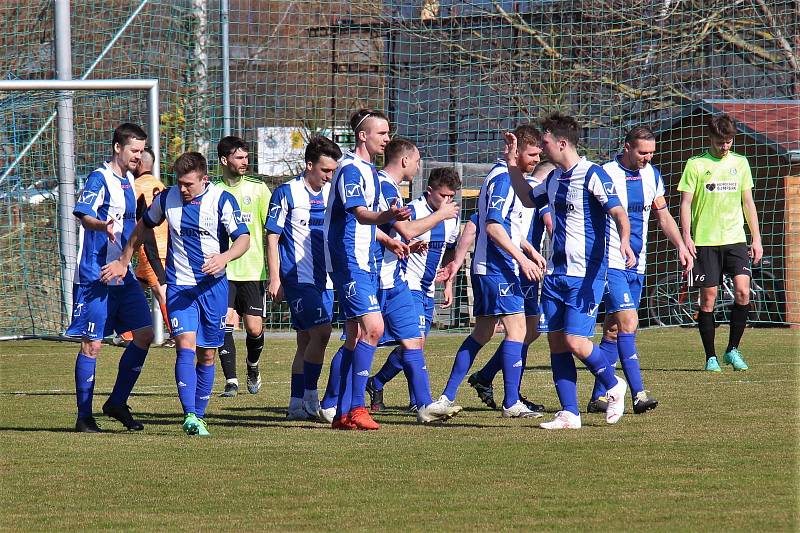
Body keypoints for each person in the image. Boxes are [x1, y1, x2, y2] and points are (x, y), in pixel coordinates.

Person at [101, 152, 250, 436]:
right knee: (185, 345)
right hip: (180, 287)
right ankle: (190, 415)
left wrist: (224, 257)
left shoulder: (221, 200)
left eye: (189, 184)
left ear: (204, 180)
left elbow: (243, 238)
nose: (183, 189)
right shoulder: (167, 198)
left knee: (207, 355)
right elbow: (143, 226)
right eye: (179, 182)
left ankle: (200, 416)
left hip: (213, 288)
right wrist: (123, 260)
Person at [504, 113, 634, 429]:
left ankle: (613, 383)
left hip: (585, 274)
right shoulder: (551, 180)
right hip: (556, 274)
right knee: (557, 343)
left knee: (576, 340)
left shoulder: (593, 174)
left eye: (545, 141)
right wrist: (511, 161)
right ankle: (570, 413)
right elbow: (524, 196)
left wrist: (625, 241)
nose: (542, 146)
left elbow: (618, 211)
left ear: (561, 143)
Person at [437, 124, 547, 419]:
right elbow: (493, 226)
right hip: (497, 269)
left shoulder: (512, 177)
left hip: (493, 267)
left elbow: (507, 226)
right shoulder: (503, 179)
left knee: (483, 333)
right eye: (532, 154)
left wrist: (530, 250)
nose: (536, 159)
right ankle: (511, 403)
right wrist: (521, 261)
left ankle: (446, 397)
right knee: (519, 330)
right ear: (518, 151)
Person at [586, 126, 693, 414]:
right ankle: (638, 394)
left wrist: (681, 245)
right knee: (629, 323)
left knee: (612, 330)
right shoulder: (603, 173)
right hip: (611, 262)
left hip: (639, 263)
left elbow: (663, 215)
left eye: (651, 153)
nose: (647, 158)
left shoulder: (652, 175)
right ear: (626, 147)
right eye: (642, 152)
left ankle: (599, 396)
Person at [321, 109, 411, 430]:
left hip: (366, 261)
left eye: (388, 133)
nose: (387, 138)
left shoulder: (370, 171)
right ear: (363, 135)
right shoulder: (349, 169)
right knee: (373, 328)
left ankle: (342, 412)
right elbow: (359, 214)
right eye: (382, 133)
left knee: (356, 335)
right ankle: (357, 407)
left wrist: (392, 216)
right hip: (349, 260)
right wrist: (390, 217)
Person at [365, 142, 462, 423]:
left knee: (414, 343)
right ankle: (419, 402)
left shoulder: (450, 217)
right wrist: (409, 243)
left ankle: (378, 383)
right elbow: (395, 237)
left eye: (451, 197)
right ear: (429, 191)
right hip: (405, 284)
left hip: (427, 288)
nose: (447, 201)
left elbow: (447, 252)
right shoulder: (412, 209)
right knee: (412, 341)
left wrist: (448, 282)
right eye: (443, 196)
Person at [66, 123, 155, 433]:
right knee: (92, 345)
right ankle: (84, 416)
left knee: (145, 335)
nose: (139, 156)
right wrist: (99, 225)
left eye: (142, 151)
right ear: (118, 147)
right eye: (134, 150)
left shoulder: (129, 181)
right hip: (96, 276)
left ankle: (117, 402)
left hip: (123, 273)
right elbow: (84, 213)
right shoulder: (99, 178)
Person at [461, 160, 554, 413]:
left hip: (522, 264)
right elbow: (550, 223)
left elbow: (476, 222)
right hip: (517, 267)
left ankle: (490, 378)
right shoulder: (535, 190)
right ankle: (510, 397)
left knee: (528, 331)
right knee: (521, 331)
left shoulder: (518, 185)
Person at [678, 113, 762, 371]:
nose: (725, 147)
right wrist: (686, 237)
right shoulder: (696, 164)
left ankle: (733, 350)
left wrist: (756, 238)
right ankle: (710, 357)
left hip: (735, 239)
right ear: (710, 138)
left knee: (743, 292)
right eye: (720, 142)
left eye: (729, 142)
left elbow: (748, 203)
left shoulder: (741, 163)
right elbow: (686, 203)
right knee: (708, 299)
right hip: (705, 241)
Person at [265, 136, 341, 420]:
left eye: (332, 171)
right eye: (324, 170)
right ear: (309, 165)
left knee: (306, 341)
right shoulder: (286, 193)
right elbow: (272, 239)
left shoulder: (333, 194)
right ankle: (311, 396)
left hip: (327, 280)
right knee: (322, 333)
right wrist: (275, 279)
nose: (329, 176)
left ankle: (295, 404)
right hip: (297, 277)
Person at [214, 136, 271, 397]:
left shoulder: (258, 190)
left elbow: (271, 232)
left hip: (252, 270)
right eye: (239, 157)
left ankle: (253, 366)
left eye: (247, 157)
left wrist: (274, 273)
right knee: (224, 323)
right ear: (225, 160)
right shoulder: (213, 191)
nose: (245, 162)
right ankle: (231, 381)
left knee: (254, 329)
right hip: (222, 271)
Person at [133, 146, 173, 346]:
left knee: (160, 290)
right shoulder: (160, 185)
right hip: (166, 242)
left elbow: (133, 217)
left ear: (140, 163)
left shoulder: (136, 186)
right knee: (134, 286)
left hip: (150, 247)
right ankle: (126, 330)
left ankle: (176, 333)